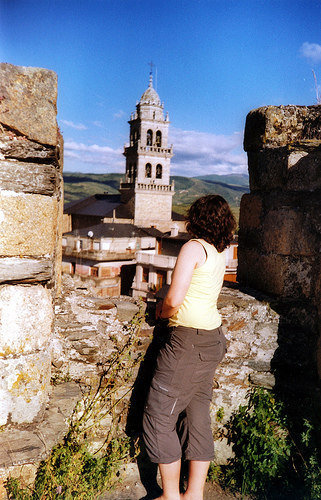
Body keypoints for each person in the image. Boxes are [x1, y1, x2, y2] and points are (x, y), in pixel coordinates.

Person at [142, 194, 236, 500]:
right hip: (212, 338)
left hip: (188, 341)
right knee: (197, 416)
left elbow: (173, 299)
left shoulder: (193, 247)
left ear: (197, 218)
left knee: (159, 416)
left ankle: (170, 496)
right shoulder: (219, 250)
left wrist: (161, 310)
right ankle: (194, 494)